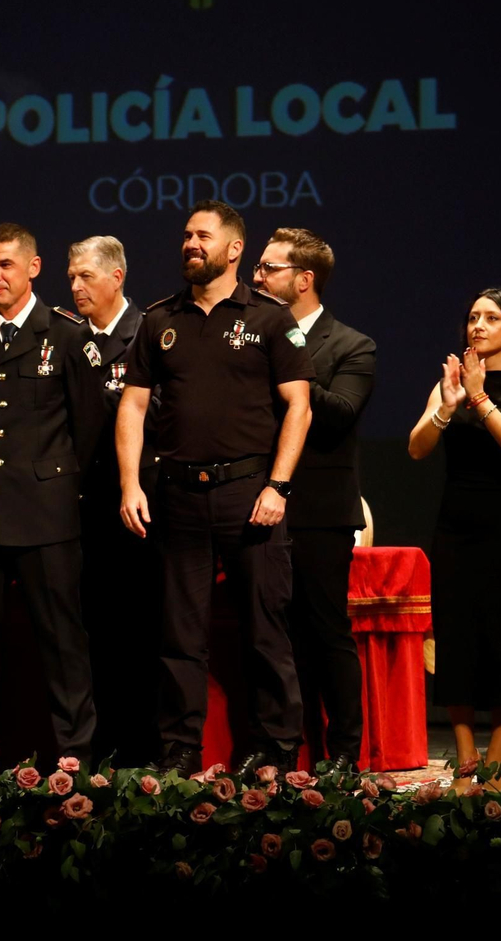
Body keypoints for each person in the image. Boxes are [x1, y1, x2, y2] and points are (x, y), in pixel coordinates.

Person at [117, 200, 314, 778]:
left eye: (203, 236)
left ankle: (275, 748)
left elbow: (298, 407)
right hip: (179, 496)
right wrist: (131, 484)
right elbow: (131, 406)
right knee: (179, 635)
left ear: (234, 249)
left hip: (251, 493)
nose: (190, 244)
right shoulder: (160, 320)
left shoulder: (271, 318)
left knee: (265, 628)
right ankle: (180, 748)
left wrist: (278, 485)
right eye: (185, 236)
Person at [0, 223, 106, 766]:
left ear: (33, 268)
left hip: (46, 512)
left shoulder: (66, 334)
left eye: (6, 265)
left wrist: (54, 485)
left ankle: (75, 755)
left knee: (62, 641)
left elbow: (88, 428)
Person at [408, 288, 501, 790]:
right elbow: (417, 447)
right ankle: (467, 753)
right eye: (472, 317)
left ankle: (499, 752)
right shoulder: (449, 383)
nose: (478, 326)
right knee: (456, 639)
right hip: (455, 528)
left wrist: (480, 396)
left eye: (491, 317)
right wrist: (448, 404)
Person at [252, 228, 375, 771]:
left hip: (320, 512)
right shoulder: (249, 335)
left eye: (269, 268)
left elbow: (341, 414)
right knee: (272, 636)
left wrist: (290, 368)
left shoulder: (352, 345)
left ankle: (344, 752)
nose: (257, 277)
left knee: (326, 634)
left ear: (304, 280)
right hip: (258, 503)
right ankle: (280, 749)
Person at [67, 234, 161, 765]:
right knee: (94, 633)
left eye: (87, 277)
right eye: (72, 277)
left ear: (117, 277)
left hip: (139, 508)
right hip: (83, 509)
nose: (76, 286)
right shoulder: (67, 339)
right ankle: (99, 747)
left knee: (140, 633)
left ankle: (143, 748)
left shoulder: (147, 333)